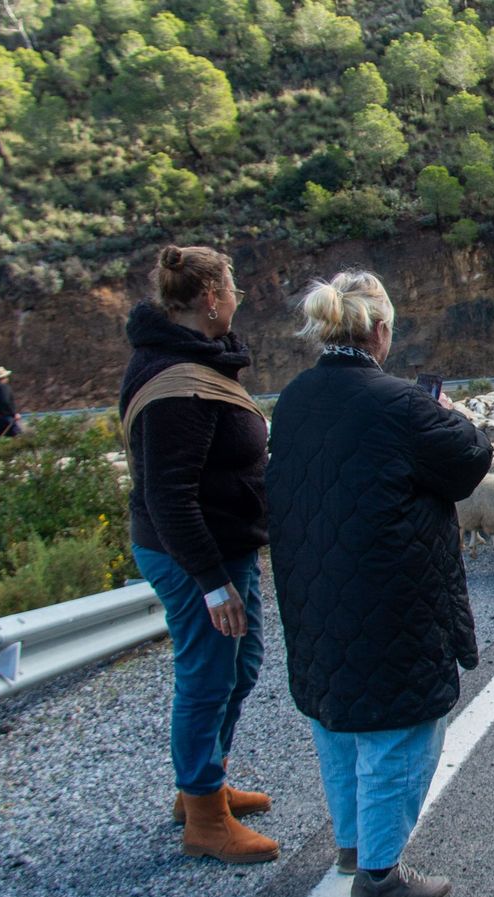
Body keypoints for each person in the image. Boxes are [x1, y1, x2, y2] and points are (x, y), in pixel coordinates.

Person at [266, 270, 491, 897]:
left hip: (313, 593)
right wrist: (451, 415)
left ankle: (353, 849)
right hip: (392, 597)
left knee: (339, 721)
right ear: (381, 331)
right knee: (401, 727)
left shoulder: (294, 399)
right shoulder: (401, 403)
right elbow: (470, 462)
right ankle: (383, 877)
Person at [119, 245, 278, 865]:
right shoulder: (176, 384)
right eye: (233, 287)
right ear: (211, 298)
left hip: (225, 546)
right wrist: (213, 582)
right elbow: (167, 493)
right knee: (207, 675)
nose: (238, 298)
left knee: (239, 665)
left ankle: (205, 782)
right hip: (194, 556)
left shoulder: (191, 361)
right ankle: (204, 817)